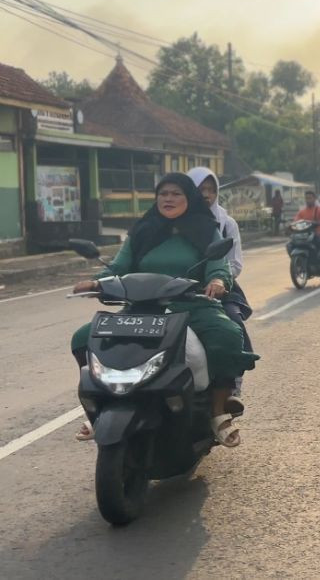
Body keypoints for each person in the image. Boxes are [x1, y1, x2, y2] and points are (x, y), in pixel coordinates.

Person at [70, 174, 258, 446]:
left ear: (189, 198)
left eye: (176, 194)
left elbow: (218, 264)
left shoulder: (206, 229)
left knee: (226, 336)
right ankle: (99, 407)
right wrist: (98, 281)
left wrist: (218, 280)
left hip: (191, 306)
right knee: (83, 338)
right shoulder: (143, 229)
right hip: (142, 308)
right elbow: (119, 266)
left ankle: (217, 412)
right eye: (163, 194)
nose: (168, 199)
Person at [188, 167, 251, 413]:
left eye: (211, 189)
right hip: (179, 290)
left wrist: (219, 281)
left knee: (233, 322)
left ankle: (232, 385)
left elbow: (235, 263)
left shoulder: (227, 224)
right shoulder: (174, 221)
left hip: (220, 288)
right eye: (200, 189)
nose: (206, 194)